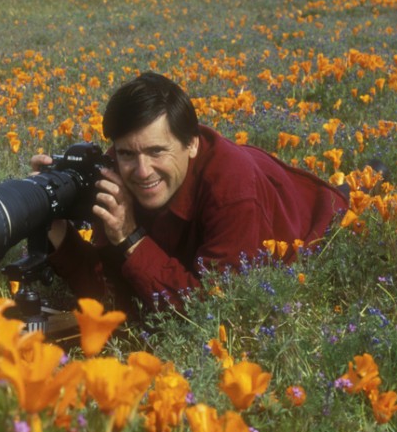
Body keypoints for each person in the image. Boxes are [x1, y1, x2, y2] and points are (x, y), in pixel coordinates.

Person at [31, 72, 349, 313]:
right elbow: (111, 291)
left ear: (191, 143)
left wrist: (130, 238)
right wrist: (54, 222)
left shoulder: (233, 192)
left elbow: (210, 310)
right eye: (127, 153)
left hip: (313, 210)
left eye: (157, 151)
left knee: (353, 190)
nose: (142, 171)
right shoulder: (118, 170)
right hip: (249, 177)